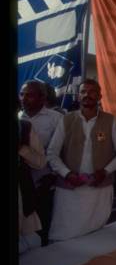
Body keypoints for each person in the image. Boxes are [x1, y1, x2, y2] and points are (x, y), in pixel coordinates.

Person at [46, 79, 116, 241]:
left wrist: (105, 172)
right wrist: (67, 174)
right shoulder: (67, 119)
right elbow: (52, 153)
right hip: (69, 190)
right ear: (78, 95)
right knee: (65, 234)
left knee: (95, 234)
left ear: (99, 96)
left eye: (91, 92)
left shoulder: (110, 121)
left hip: (99, 188)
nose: (87, 95)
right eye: (83, 91)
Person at [18, 80, 64, 246]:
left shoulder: (56, 119)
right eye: (22, 94)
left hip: (45, 184)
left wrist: (53, 176)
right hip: (22, 186)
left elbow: (63, 151)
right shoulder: (19, 120)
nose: (23, 98)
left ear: (42, 98)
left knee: (44, 226)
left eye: (29, 95)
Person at [17, 118, 46, 253]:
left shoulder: (24, 127)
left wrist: (22, 149)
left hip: (22, 192)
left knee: (30, 242)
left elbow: (40, 162)